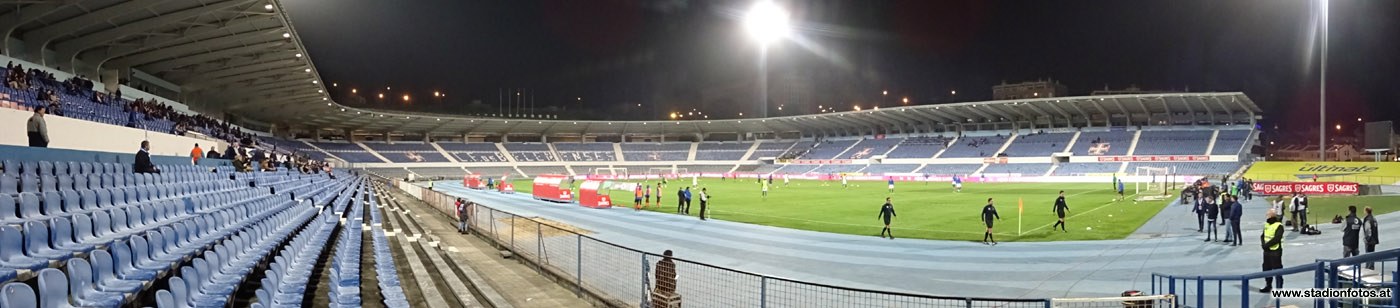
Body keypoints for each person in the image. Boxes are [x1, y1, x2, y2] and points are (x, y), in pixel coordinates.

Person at [1259, 210, 1285, 293]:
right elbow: (1263, 235)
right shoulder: (1267, 224)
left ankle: (1279, 288)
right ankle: (1268, 285)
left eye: (1268, 215)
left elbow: (1277, 238)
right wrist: (1263, 244)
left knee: (1277, 269)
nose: (1266, 216)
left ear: (1271, 216)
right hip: (1266, 251)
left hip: (1275, 251)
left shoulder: (1279, 226)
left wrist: (1266, 245)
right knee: (1266, 269)